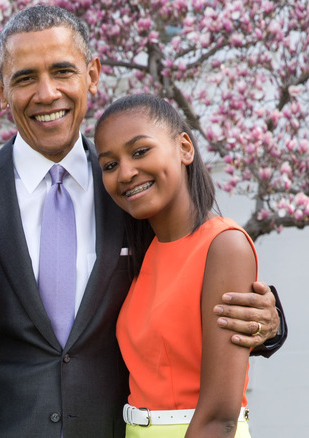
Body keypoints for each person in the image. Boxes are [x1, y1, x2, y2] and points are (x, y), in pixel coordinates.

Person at [0, 5, 286, 438]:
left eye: (63, 71)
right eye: (25, 77)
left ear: (92, 75)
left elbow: (194, 266)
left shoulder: (138, 193)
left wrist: (267, 325)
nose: (47, 93)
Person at [94, 93, 254, 437]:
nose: (125, 173)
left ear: (185, 147)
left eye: (140, 151)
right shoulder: (144, 254)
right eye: (109, 165)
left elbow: (219, 416)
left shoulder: (224, 244)